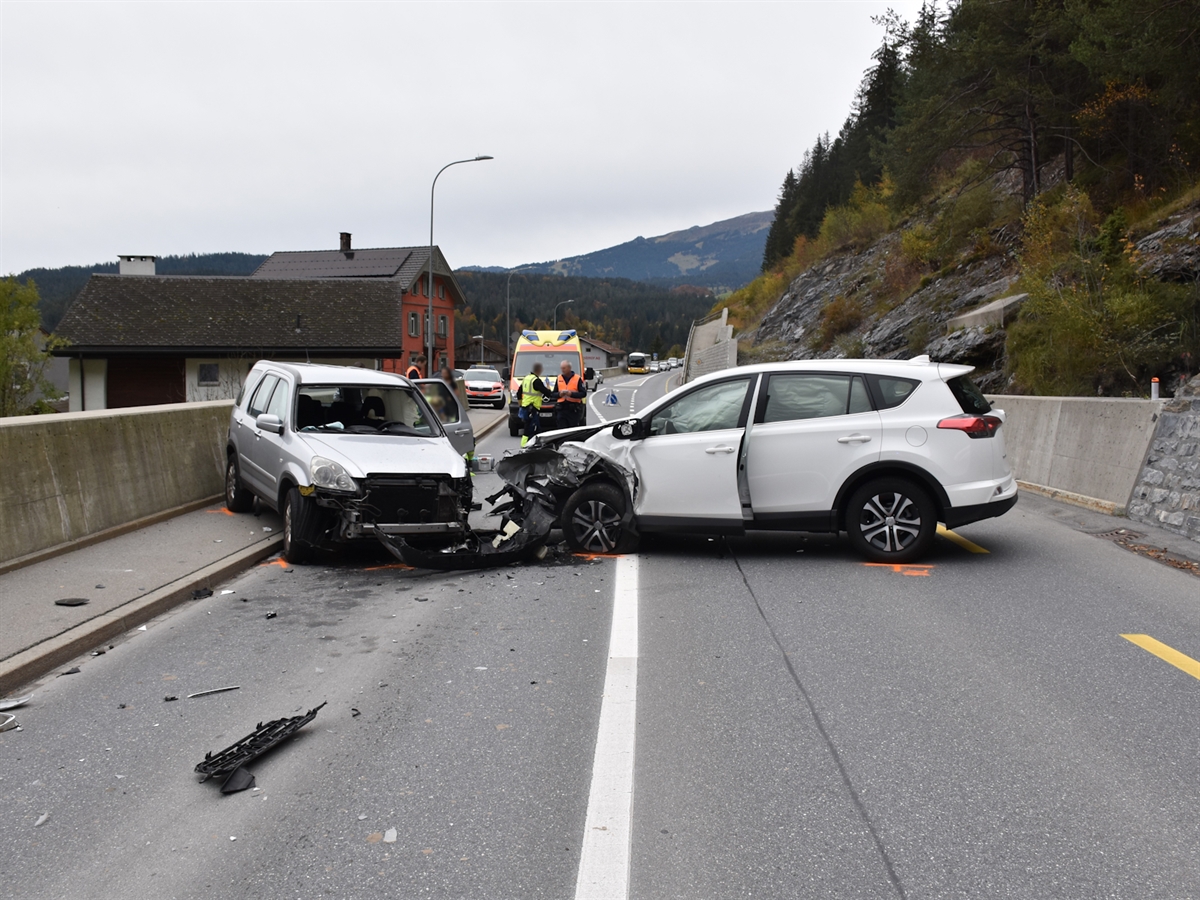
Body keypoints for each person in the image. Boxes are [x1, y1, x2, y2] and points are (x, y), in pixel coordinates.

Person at [518, 362, 557, 447]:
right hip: (533, 408)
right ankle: (526, 446)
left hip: (525, 408)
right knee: (532, 429)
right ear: (539, 370)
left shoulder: (526, 378)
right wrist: (548, 387)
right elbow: (547, 393)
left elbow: (518, 393)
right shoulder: (536, 380)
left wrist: (521, 405)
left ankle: (533, 445)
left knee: (531, 427)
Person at [555, 358, 587, 430]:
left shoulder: (577, 378)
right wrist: (559, 394)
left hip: (573, 410)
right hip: (561, 409)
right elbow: (553, 394)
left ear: (569, 368)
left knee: (573, 430)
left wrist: (571, 394)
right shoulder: (559, 378)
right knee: (561, 430)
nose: (562, 370)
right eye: (561, 368)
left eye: (564, 368)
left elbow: (583, 393)